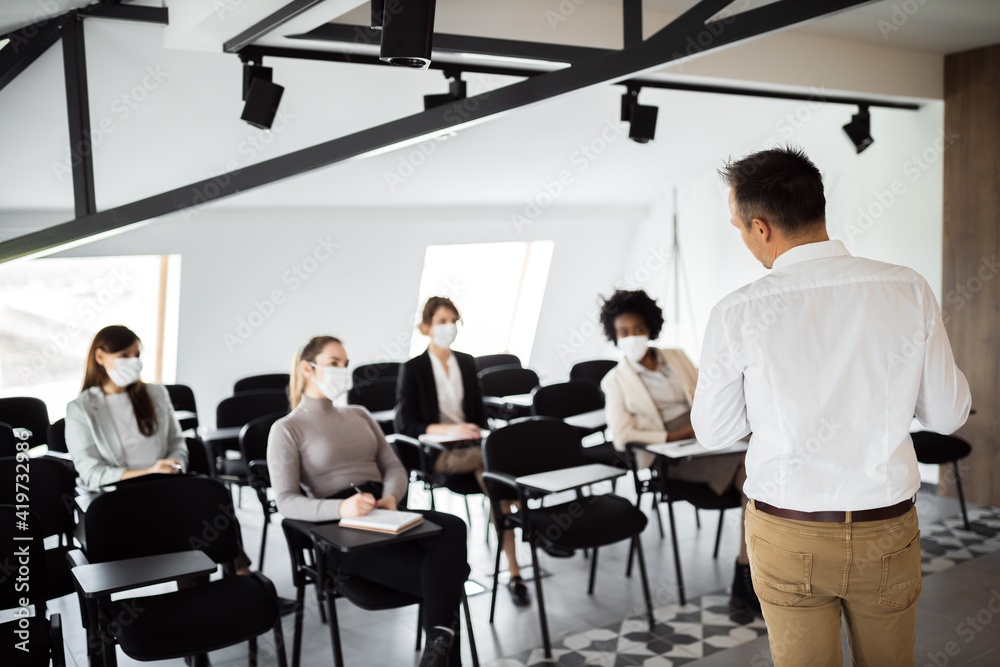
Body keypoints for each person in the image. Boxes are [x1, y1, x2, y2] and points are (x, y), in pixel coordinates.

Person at [691, 147, 972, 666]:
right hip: (883, 529)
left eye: (738, 227)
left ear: (760, 227)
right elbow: (949, 415)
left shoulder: (737, 311)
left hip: (785, 529)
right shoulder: (907, 287)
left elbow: (713, 431)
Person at [269, 335, 470, 667]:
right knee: (450, 576)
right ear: (308, 368)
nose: (343, 371)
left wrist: (391, 496)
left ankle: (436, 645)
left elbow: (393, 466)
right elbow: (287, 501)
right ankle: (440, 646)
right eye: (334, 363)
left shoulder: (359, 414)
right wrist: (341, 508)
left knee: (452, 525)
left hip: (384, 511)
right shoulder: (286, 429)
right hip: (342, 528)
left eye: (346, 364)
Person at [598, 289, 757, 612]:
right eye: (624, 332)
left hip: (706, 436)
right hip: (670, 453)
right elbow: (623, 435)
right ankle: (747, 573)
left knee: (756, 462)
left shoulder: (676, 356)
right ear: (614, 336)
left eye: (638, 329)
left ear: (651, 327)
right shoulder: (614, 380)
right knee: (752, 474)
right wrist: (679, 433)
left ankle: (750, 573)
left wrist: (708, 425)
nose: (632, 337)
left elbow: (710, 395)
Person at [395, 296, 532, 607]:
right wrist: (450, 430)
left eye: (453, 320)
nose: (449, 327)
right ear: (426, 326)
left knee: (494, 486)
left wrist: (477, 431)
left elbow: (479, 413)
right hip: (438, 454)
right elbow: (405, 424)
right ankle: (528, 514)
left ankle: (514, 573)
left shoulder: (467, 362)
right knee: (496, 461)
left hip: (475, 450)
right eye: (442, 321)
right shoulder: (413, 368)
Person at [66, 324, 188, 488]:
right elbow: (91, 473)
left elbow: (176, 443)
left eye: (136, 355)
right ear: (100, 357)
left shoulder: (157, 393)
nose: (134, 362)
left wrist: (174, 465)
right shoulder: (80, 409)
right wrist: (150, 473)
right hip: (117, 495)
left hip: (164, 484)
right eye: (124, 355)